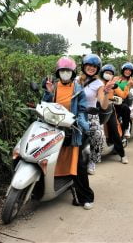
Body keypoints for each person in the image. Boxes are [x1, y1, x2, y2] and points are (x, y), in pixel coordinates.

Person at [43, 57, 94, 209]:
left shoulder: (78, 89)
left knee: (78, 164)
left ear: (73, 73)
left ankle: (85, 196)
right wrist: (48, 93)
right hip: (54, 129)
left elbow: (83, 109)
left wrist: (82, 124)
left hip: (73, 130)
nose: (65, 74)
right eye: (62, 71)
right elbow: (45, 106)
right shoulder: (54, 87)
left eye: (68, 71)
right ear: (58, 73)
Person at [77, 54, 114, 176]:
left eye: (94, 66)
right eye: (89, 65)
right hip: (75, 113)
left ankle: (92, 161)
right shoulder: (76, 80)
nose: (91, 68)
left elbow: (103, 106)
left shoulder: (99, 84)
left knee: (98, 134)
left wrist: (107, 93)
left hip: (90, 114)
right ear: (84, 66)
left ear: (97, 69)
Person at [99, 64, 128, 164]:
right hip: (96, 108)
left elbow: (123, 95)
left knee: (114, 130)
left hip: (109, 109)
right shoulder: (97, 83)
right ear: (102, 73)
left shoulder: (113, 85)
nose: (108, 75)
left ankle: (122, 154)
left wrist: (128, 85)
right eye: (106, 72)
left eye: (110, 73)